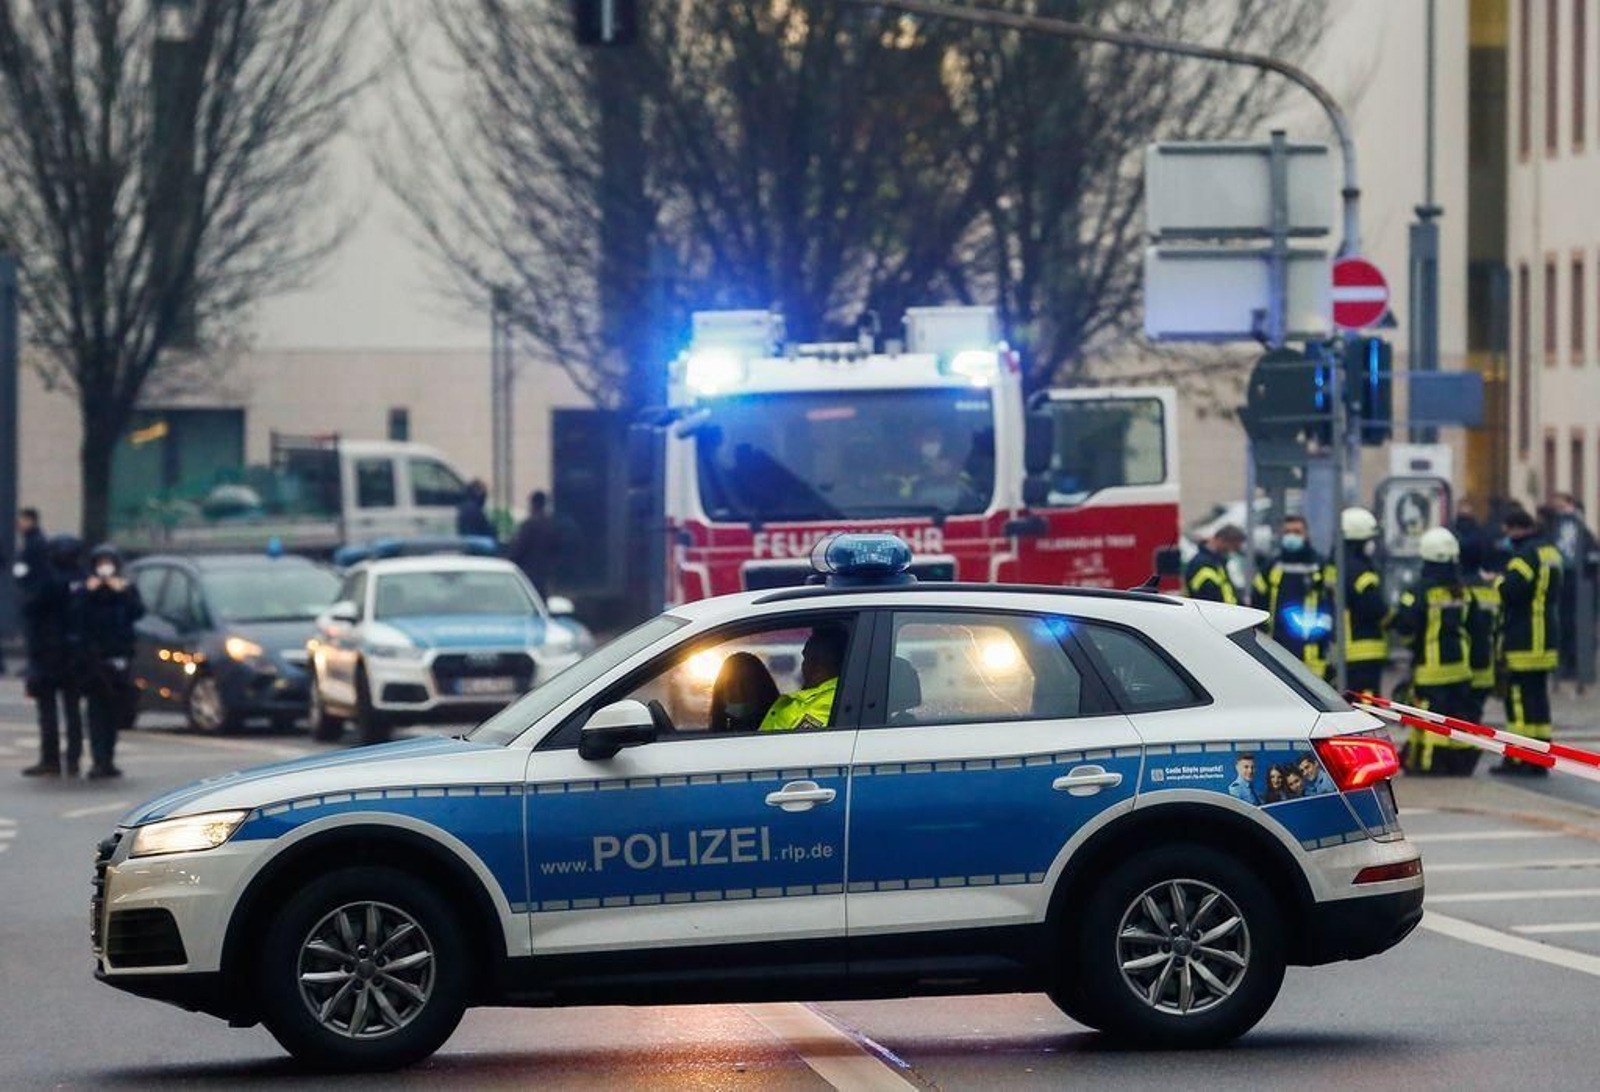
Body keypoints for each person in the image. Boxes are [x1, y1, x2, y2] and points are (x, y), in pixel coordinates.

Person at [1392, 528, 1479, 776]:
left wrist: (1413, 647)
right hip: (1460, 668)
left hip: (1430, 668)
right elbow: (1475, 626)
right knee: (1455, 721)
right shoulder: (1463, 589)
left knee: (1431, 720)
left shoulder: (1419, 590)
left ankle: (1430, 765)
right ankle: (1457, 764)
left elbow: (1405, 625)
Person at [1495, 506, 1564, 776]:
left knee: (1518, 699)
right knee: (1537, 697)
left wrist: (1497, 582)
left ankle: (1519, 757)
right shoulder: (1551, 553)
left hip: (1523, 638)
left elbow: (1512, 591)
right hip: (1546, 637)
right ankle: (1540, 756)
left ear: (1514, 529)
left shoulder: (1524, 556)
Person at [72, 544, 145, 779]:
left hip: (119, 658)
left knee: (114, 712)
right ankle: (98, 760)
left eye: (109, 561)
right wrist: (88, 592)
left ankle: (109, 759)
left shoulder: (125, 588)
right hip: (94, 660)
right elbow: (75, 616)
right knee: (95, 713)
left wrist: (122, 591)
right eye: (100, 561)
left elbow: (138, 612)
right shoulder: (85, 589)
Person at [18, 535, 86, 777]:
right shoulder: (82, 580)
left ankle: (51, 760)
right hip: (75, 655)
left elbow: (30, 610)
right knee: (73, 709)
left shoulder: (49, 580)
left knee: (48, 711)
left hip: (49, 654)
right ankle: (74, 759)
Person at [1253, 515, 1332, 673]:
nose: (1292, 536)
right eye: (1287, 532)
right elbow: (1257, 604)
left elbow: (1334, 602)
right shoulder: (1271, 568)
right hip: (1278, 646)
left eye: (1297, 532)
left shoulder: (1321, 566)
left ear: (1306, 535)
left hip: (1312, 650)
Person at [1339, 507, 1390, 695]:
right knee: (1366, 705)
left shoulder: (1333, 565)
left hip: (1337, 647)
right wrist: (1394, 620)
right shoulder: (1362, 572)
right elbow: (1376, 609)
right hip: (1364, 649)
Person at [760, 625, 849, 732]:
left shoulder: (825, 706)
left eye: (805, 658)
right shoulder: (822, 699)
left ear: (815, 664)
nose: (802, 666)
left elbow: (795, 746)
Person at [1460, 534, 1504, 724]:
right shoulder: (1491, 589)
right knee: (1474, 720)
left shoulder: (1456, 589)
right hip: (1486, 667)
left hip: (1459, 669)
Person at [708, 652, 780, 733]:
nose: (739, 691)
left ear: (762, 688)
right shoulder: (713, 739)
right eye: (731, 685)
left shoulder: (783, 730)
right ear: (720, 692)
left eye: (746, 684)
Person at [508, 490, 560, 597]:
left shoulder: (529, 525)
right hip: (545, 573)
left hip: (528, 573)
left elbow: (518, 549)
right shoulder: (551, 525)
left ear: (534, 504)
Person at [1184, 524, 1246, 604]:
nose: (1231, 551)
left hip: (1227, 613)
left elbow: (1227, 591)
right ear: (1221, 540)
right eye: (1232, 547)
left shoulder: (1217, 561)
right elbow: (1208, 598)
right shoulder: (1202, 564)